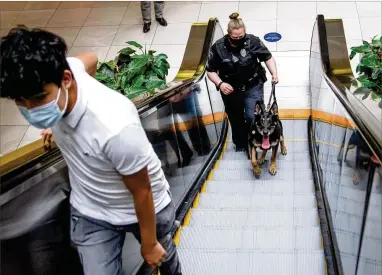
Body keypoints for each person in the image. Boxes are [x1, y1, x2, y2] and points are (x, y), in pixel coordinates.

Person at [0, 26, 182, 275]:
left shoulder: (115, 128)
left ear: (65, 80)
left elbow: (141, 191)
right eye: (21, 102)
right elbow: (90, 59)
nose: (30, 109)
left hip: (144, 209)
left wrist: (149, 244)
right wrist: (57, 118)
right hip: (92, 210)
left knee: (162, 255)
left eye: (39, 99)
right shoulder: (67, 72)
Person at [206, 12, 279, 152]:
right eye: (235, 37)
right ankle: (241, 143)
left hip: (253, 85)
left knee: (253, 116)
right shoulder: (218, 47)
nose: (238, 39)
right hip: (231, 89)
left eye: (241, 36)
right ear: (228, 34)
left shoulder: (253, 41)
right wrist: (220, 83)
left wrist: (274, 73)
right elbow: (210, 70)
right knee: (236, 118)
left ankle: (255, 141)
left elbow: (267, 57)